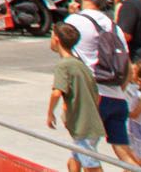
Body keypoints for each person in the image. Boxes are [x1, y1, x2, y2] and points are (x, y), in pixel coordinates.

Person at [67, 0, 140, 167]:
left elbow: (58, 47)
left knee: (88, 155)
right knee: (121, 150)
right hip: (116, 97)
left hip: (92, 98)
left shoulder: (74, 21)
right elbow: (128, 66)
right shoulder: (112, 25)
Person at [49, 22, 107, 172]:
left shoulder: (64, 65)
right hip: (89, 124)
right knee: (73, 162)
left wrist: (50, 114)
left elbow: (57, 92)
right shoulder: (80, 64)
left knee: (91, 165)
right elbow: (96, 95)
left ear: (56, 39)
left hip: (84, 127)